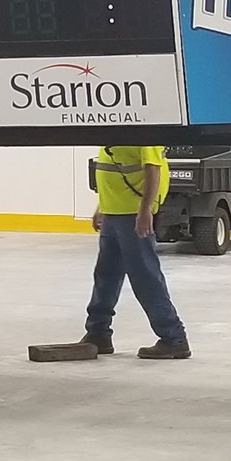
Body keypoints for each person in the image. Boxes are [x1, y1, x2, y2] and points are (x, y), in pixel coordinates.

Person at [80, 145, 190, 360]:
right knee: (106, 276)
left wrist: (145, 209)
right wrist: (101, 207)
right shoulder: (114, 134)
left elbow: (153, 170)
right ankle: (98, 333)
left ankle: (174, 338)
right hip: (113, 213)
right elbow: (111, 170)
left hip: (132, 214)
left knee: (145, 276)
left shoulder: (144, 134)